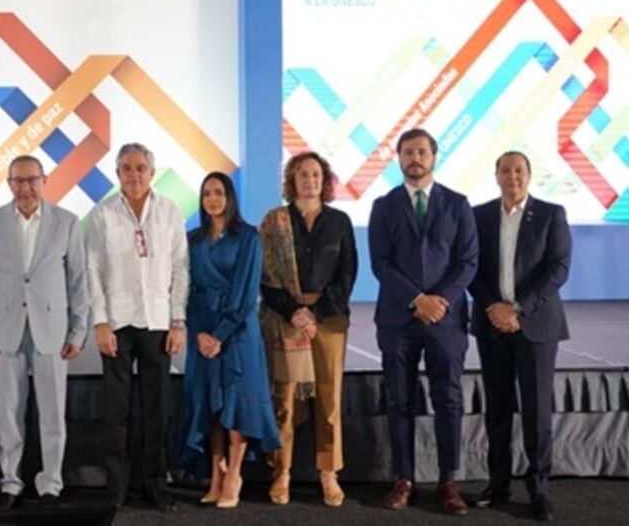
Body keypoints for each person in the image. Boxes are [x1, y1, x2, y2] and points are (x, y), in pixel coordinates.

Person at [368, 129, 477, 516]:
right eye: (408, 152)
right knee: (399, 399)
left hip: (446, 320)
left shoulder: (458, 204)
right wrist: (417, 300)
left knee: (448, 398)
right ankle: (404, 480)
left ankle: (448, 482)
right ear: (398, 158)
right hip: (398, 319)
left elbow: (467, 262)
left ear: (434, 156)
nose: (415, 157)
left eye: (422, 151)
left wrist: (440, 301)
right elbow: (381, 264)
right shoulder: (383, 206)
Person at [0, 155, 90, 510]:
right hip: (7, 330)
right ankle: (11, 483)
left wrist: (78, 330)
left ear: (44, 181)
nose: (25, 188)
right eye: (17, 181)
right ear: (8, 184)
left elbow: (78, 280)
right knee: (9, 411)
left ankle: (50, 484)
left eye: (31, 180)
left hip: (52, 330)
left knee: (52, 413)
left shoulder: (67, 222)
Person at [86, 142, 188, 512]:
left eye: (140, 168)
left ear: (152, 172)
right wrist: (99, 322)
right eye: (126, 168)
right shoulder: (102, 215)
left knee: (157, 411)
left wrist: (178, 322)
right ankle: (116, 489)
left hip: (158, 321)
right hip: (116, 322)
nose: (134, 175)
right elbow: (92, 272)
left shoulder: (170, 212)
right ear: (117, 175)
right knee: (116, 413)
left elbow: (181, 269)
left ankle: (156, 486)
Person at [469, 151, 571, 522]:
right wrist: (494, 308)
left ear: (529, 176)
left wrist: (518, 309)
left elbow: (558, 269)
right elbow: (471, 268)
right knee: (497, 411)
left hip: (536, 327)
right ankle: (498, 485)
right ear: (495, 175)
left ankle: (539, 490)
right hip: (491, 325)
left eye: (519, 171)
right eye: (505, 170)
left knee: (537, 411)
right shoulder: (478, 215)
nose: (512, 176)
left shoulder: (550, 214)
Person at [259, 152, 357, 507]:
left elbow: (347, 275)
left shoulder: (340, 222)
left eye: (316, 174)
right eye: (303, 174)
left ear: (325, 180)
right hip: (286, 321)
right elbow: (266, 279)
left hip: (328, 321)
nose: (310, 180)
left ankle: (328, 472)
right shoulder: (275, 222)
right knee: (284, 400)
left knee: (328, 400)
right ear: (292, 180)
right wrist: (295, 311)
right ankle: (281, 471)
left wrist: (314, 313)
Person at [179, 172, 281, 509]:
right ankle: (216, 473)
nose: (212, 199)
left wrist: (219, 335)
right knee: (209, 403)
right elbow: (186, 289)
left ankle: (234, 475)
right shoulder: (192, 239)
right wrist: (199, 333)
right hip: (202, 330)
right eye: (206, 193)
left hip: (237, 332)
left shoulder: (248, 237)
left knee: (235, 402)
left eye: (219, 192)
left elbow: (245, 293)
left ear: (229, 197)